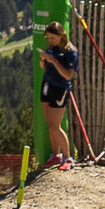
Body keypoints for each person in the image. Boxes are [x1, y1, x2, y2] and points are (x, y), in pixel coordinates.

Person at [38, 23, 79, 171]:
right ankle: (55, 155)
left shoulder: (70, 52)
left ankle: (68, 157)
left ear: (62, 35)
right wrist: (43, 60)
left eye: (53, 38)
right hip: (47, 85)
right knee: (50, 124)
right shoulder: (51, 48)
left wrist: (54, 61)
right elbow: (43, 67)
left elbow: (68, 75)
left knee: (56, 126)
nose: (50, 40)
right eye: (48, 38)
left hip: (59, 88)